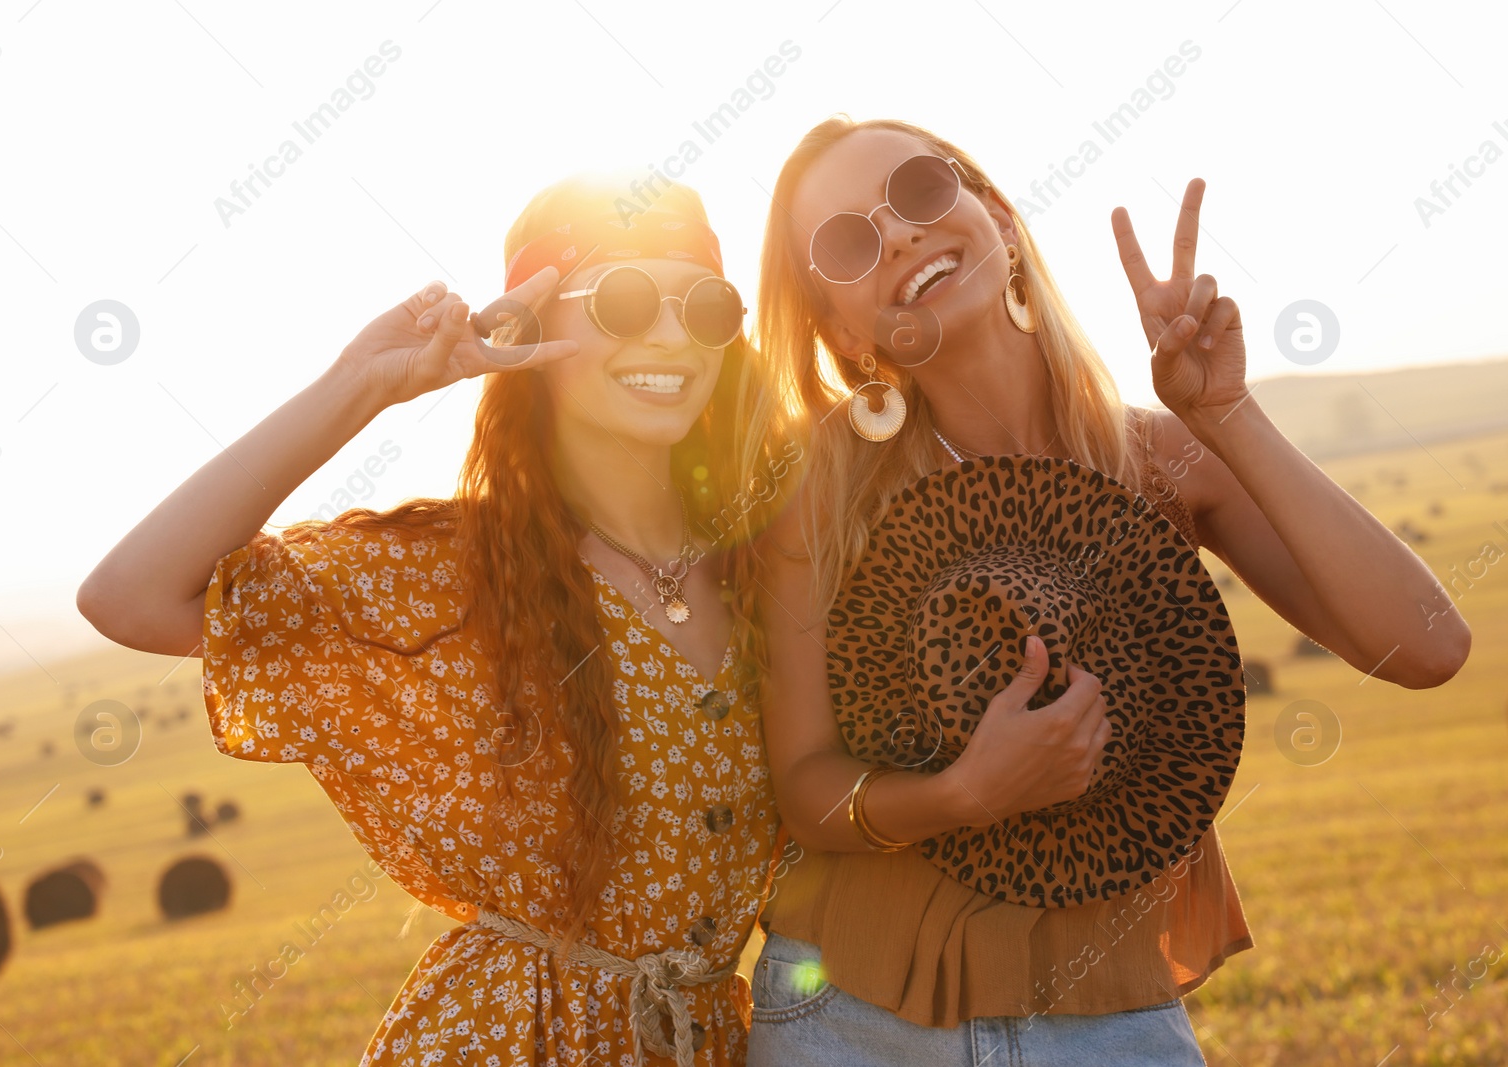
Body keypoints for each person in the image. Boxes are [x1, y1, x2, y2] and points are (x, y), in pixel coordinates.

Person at [742, 115, 1471, 1065]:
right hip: (848, 1015)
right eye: (849, 242)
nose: (903, 234)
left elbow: (1426, 644)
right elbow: (805, 788)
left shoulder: (1159, 458)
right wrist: (963, 794)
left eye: (920, 191)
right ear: (838, 328)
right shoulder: (817, 492)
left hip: (1109, 1018)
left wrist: (1225, 414)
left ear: (998, 219)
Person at [77, 171, 789, 1066]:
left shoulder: (774, 564)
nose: (671, 334)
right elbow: (130, 594)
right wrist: (362, 384)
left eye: (707, 305)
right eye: (623, 298)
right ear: (528, 330)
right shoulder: (455, 575)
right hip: (504, 1041)